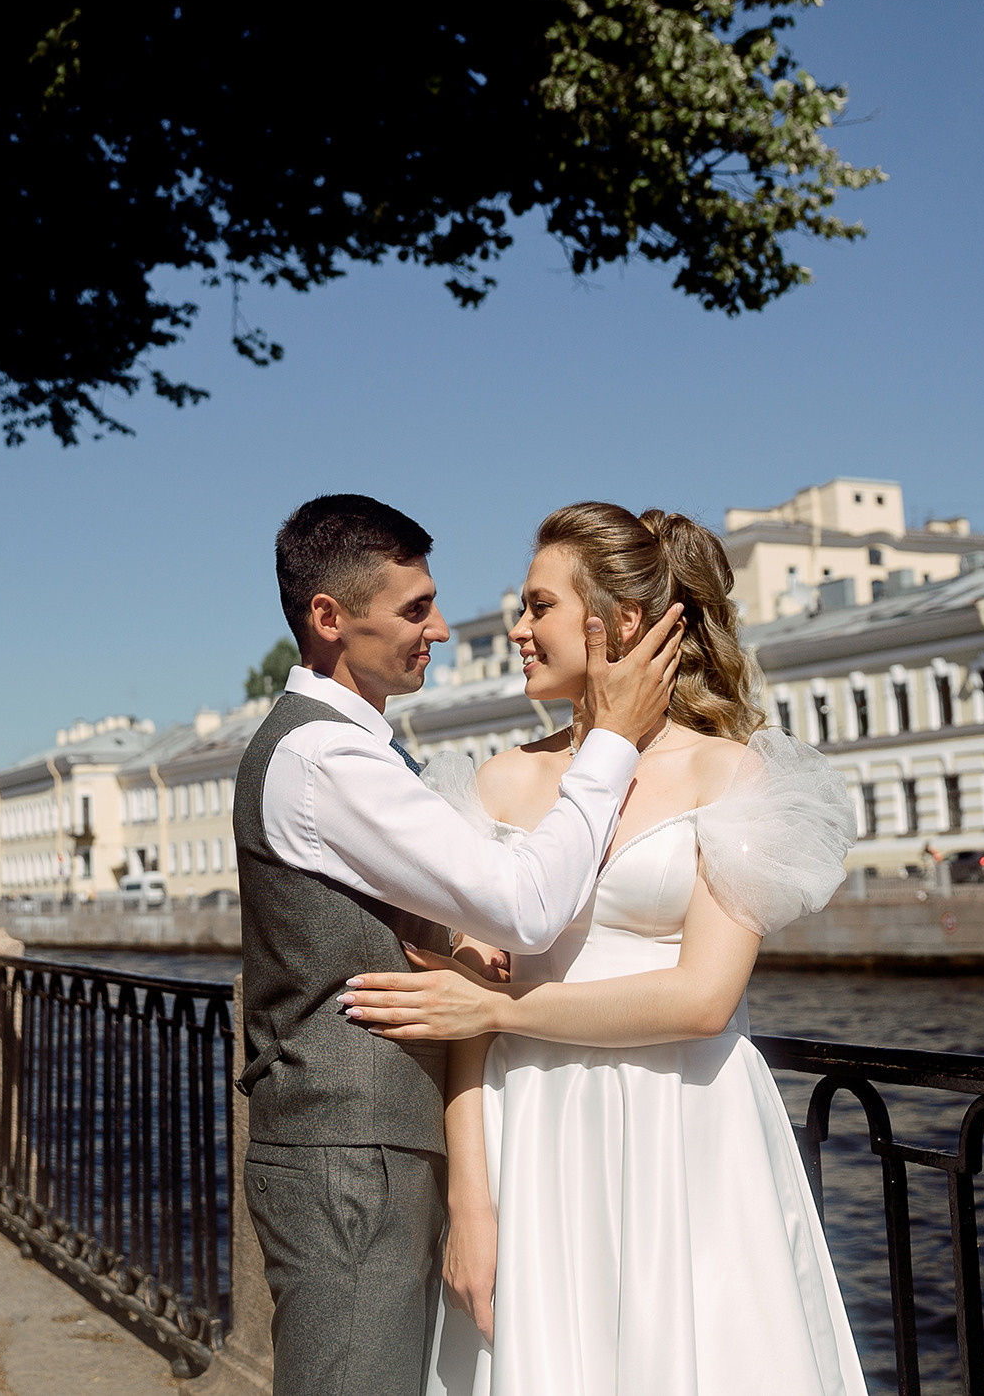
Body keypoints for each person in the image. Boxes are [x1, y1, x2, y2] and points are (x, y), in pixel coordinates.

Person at [338, 502, 868, 1396]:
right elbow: (463, 1012)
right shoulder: (505, 780)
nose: (517, 628)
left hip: (688, 1127)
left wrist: (505, 1009)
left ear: (619, 623)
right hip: (532, 1129)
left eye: (539, 606)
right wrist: (471, 1199)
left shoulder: (728, 774)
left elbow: (702, 998)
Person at [235, 495, 685, 1396]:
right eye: (413, 609)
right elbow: (525, 905)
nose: (440, 625)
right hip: (351, 1161)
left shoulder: (354, 751)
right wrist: (617, 744)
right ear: (329, 619)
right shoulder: (328, 762)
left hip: (366, 1150)